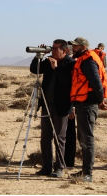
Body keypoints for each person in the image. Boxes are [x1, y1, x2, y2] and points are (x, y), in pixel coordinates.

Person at [30, 40, 76, 178]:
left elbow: (69, 83)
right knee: (45, 137)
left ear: (65, 50)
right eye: (53, 48)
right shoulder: (49, 61)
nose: (53, 51)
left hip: (62, 107)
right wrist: (40, 56)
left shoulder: (71, 64)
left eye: (56, 49)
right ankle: (46, 167)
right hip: (47, 105)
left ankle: (59, 167)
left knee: (59, 138)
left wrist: (57, 68)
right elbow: (34, 69)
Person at [68, 37, 107, 183]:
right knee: (83, 138)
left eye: (75, 46)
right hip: (82, 104)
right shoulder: (83, 60)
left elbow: (96, 82)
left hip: (88, 104)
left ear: (83, 47)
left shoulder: (88, 61)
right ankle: (85, 169)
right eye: (73, 46)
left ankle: (88, 173)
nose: (73, 48)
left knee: (87, 139)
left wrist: (100, 100)